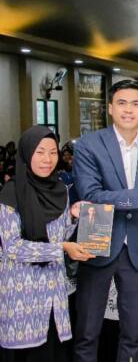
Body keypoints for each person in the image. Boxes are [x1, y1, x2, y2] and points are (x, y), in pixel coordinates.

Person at [72, 80, 138, 362]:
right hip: (97, 242)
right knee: (87, 332)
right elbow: (91, 195)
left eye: (135, 104)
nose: (128, 110)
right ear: (109, 108)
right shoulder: (89, 145)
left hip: (137, 251)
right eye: (121, 103)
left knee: (132, 334)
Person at [0, 126, 94, 361]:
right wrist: (61, 249)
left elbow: (60, 235)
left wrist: (73, 216)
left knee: (54, 353)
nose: (47, 160)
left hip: (54, 295)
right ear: (26, 153)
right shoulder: (10, 194)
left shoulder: (60, 190)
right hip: (22, 298)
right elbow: (12, 247)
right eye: (40, 152)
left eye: (53, 153)